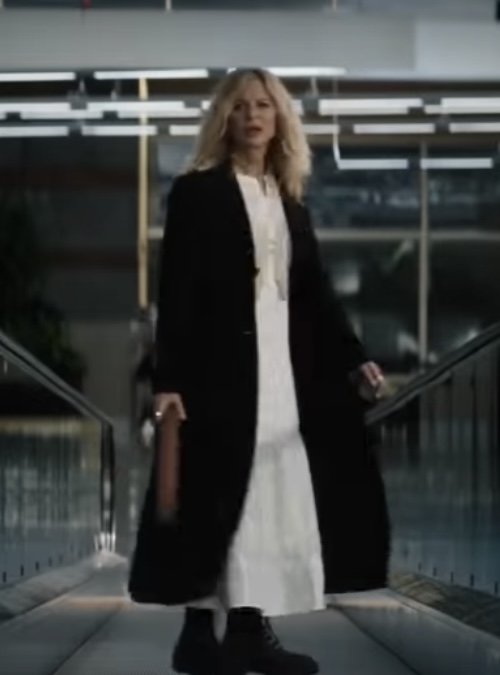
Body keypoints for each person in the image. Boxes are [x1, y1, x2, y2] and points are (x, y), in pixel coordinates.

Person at [127, 68, 392, 675]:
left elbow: (317, 295)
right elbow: (177, 292)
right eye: (242, 106)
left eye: (264, 106)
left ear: (280, 120)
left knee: (266, 497)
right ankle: (199, 634)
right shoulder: (197, 193)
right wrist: (168, 381)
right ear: (226, 117)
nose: (253, 116)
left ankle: (247, 628)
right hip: (216, 377)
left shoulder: (289, 203)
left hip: (281, 376)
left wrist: (355, 357)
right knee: (216, 498)